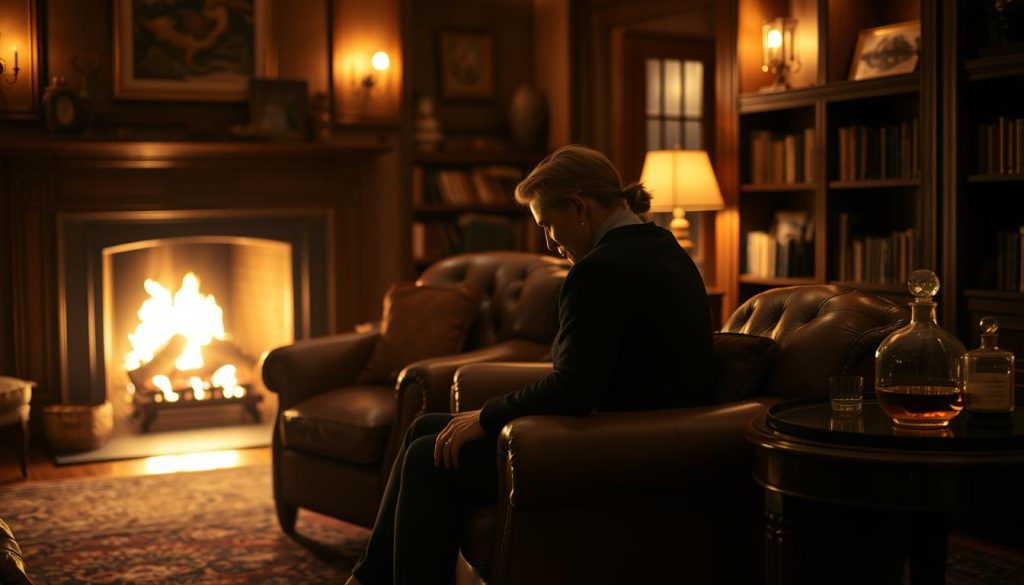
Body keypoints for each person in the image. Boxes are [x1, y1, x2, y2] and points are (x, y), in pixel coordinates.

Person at [345, 145, 715, 585]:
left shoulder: (598, 270)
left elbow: (573, 390)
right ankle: (367, 579)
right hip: (647, 435)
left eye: (548, 226)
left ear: (578, 207)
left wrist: (486, 416)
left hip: (615, 446)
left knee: (430, 456)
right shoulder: (665, 248)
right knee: (425, 428)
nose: (550, 244)